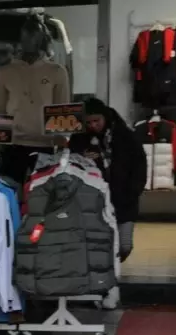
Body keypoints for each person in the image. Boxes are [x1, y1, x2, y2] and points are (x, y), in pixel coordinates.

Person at [70, 97, 147, 265]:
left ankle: (112, 272)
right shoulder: (79, 139)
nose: (93, 126)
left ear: (105, 117)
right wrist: (82, 157)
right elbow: (71, 164)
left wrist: (133, 191)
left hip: (125, 200)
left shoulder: (126, 137)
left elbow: (140, 166)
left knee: (125, 245)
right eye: (88, 122)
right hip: (93, 203)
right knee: (98, 244)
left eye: (96, 121)